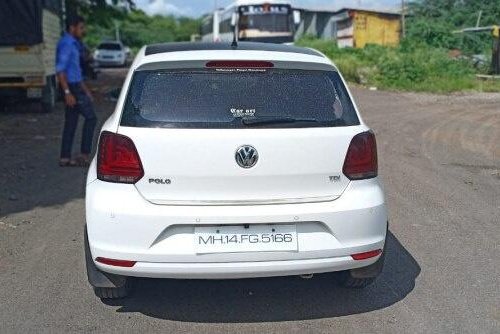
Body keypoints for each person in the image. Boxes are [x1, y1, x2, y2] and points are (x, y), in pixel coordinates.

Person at [56, 15, 97, 167]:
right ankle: (84, 155)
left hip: (76, 86)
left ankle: (65, 157)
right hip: (71, 87)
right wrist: (67, 93)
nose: (83, 30)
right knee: (91, 118)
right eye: (81, 27)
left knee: (71, 122)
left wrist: (86, 91)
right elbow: (60, 71)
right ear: (72, 28)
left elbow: (76, 71)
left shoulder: (74, 44)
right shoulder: (67, 44)